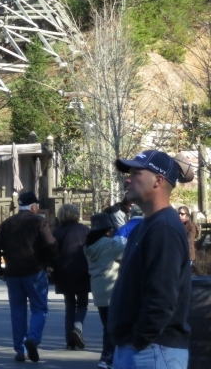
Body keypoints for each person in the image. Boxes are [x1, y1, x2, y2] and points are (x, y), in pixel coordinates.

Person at [108, 150, 191, 369]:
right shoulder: (146, 226)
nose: (128, 178)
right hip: (138, 349)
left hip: (153, 351)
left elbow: (162, 296)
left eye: (137, 173)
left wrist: (139, 339)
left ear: (159, 180)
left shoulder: (164, 228)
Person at [0, 190, 57, 363]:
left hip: (12, 274)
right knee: (39, 309)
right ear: (33, 206)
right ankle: (32, 339)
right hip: (35, 271)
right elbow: (50, 245)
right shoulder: (39, 223)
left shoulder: (6, 224)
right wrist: (52, 264)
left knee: (18, 312)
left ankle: (20, 350)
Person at [85, 211, 126, 369]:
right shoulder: (109, 244)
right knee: (114, 327)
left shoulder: (89, 246)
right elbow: (127, 249)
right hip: (111, 289)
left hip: (98, 290)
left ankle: (107, 357)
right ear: (107, 230)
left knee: (107, 326)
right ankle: (108, 358)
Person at [53, 204, 90, 350]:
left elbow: (53, 252)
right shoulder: (85, 230)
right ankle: (77, 327)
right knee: (82, 303)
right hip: (82, 270)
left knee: (69, 305)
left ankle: (69, 341)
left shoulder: (57, 232)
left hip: (64, 272)